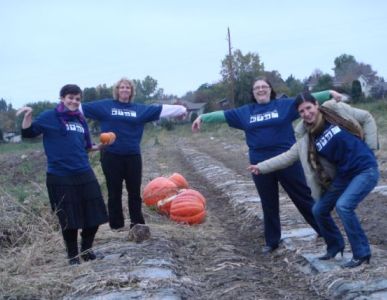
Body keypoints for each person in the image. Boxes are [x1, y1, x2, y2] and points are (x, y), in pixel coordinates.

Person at [192, 76, 341, 254]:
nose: (261, 90)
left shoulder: (284, 105)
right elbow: (223, 115)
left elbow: (306, 99)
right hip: (259, 165)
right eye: (257, 88)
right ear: (253, 93)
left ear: (270, 90)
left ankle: (323, 230)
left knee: (303, 197)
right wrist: (202, 117)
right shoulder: (245, 112)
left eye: (264, 87)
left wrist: (328, 93)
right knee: (268, 202)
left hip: (287, 161)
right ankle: (272, 241)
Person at [248, 92, 378, 268]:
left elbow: (367, 118)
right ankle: (335, 245)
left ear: (316, 105)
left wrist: (371, 149)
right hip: (344, 176)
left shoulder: (336, 111)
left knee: (344, 206)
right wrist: (261, 167)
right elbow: (287, 157)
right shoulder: (307, 139)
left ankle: (361, 253)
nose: (306, 113)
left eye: (308, 108)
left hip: (364, 168)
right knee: (319, 209)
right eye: (301, 111)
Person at [17, 84, 110, 265]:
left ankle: (86, 249)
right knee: (69, 219)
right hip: (59, 175)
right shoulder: (49, 116)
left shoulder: (80, 120)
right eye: (70, 98)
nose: (74, 101)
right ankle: (73, 256)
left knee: (96, 215)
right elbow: (28, 133)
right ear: (62, 98)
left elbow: (86, 146)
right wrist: (28, 115)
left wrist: (100, 147)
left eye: (77, 99)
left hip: (83, 171)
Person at [81, 77, 187, 231]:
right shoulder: (105, 106)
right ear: (117, 90)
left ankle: (137, 223)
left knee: (134, 192)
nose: (124, 90)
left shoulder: (139, 110)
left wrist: (182, 110)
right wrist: (62, 110)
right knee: (114, 192)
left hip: (132, 156)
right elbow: (79, 109)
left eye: (127, 88)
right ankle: (116, 226)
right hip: (111, 155)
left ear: (131, 92)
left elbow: (160, 110)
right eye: (122, 87)